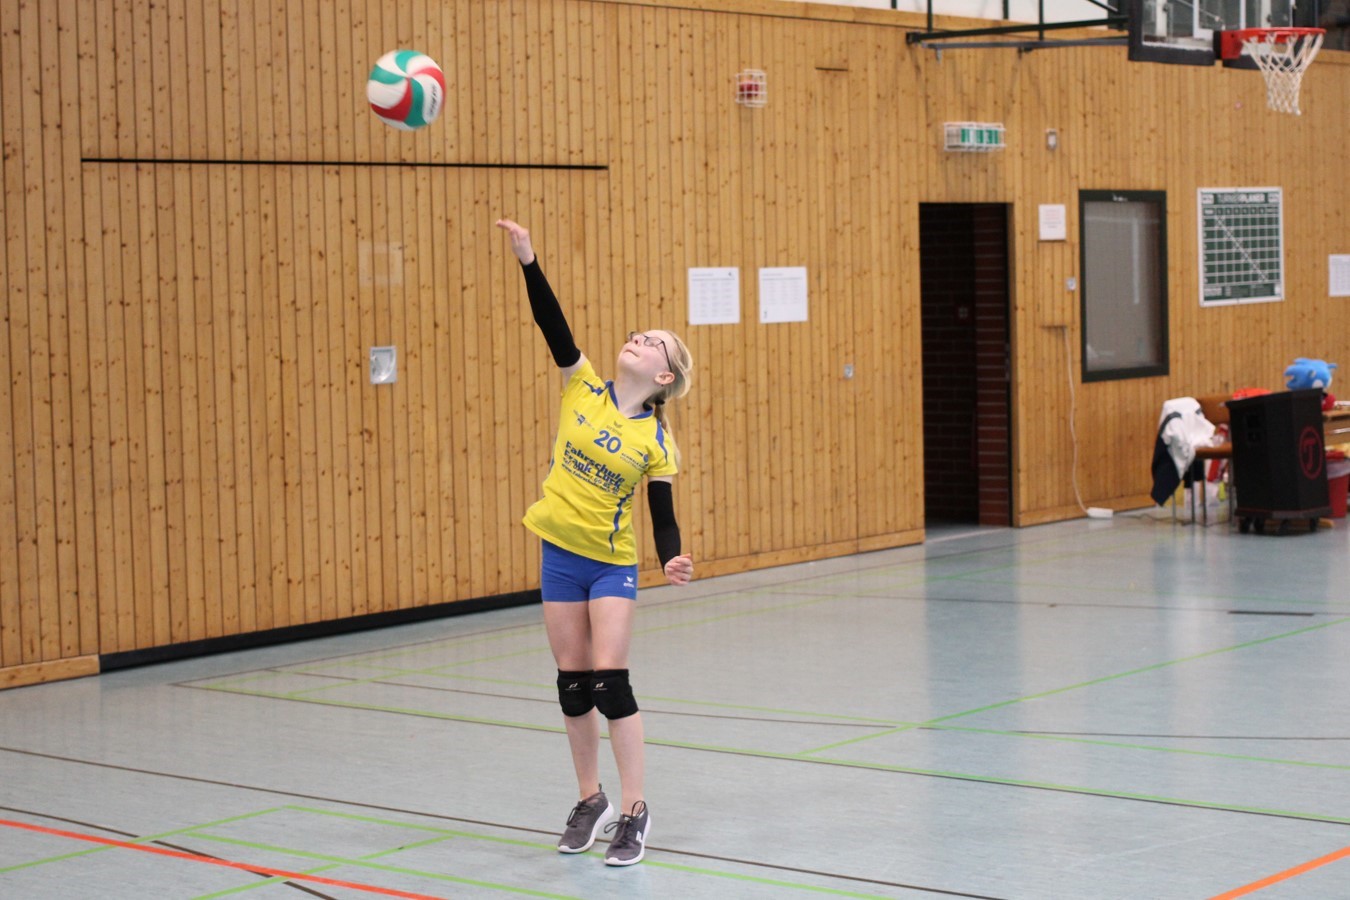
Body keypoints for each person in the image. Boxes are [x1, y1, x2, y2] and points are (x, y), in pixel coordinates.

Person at [495, 218, 695, 867]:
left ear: (664, 375)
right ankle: (591, 799)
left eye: (653, 342)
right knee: (573, 685)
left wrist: (670, 556)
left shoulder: (656, 441)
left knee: (610, 682)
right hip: (559, 555)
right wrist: (529, 260)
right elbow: (553, 326)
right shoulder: (582, 387)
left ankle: (634, 811)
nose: (638, 339)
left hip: (610, 565)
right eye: (638, 333)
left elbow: (660, 514)